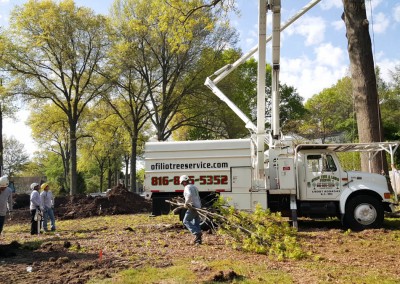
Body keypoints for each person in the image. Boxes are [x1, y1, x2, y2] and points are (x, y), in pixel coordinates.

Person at [180, 175, 202, 245]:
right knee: (196, 223)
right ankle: (198, 241)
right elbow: (198, 197)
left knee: (185, 221)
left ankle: (197, 233)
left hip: (192, 207)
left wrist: (186, 203)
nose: (182, 184)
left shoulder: (187, 187)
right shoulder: (194, 187)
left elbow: (189, 195)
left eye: (182, 182)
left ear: (183, 182)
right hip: (198, 206)